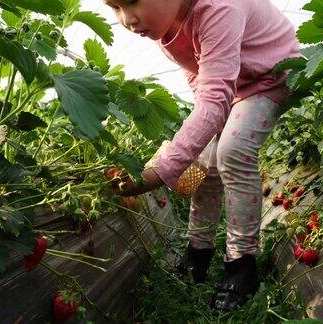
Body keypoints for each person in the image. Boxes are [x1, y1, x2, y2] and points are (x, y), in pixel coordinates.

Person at [104, 0, 301, 310]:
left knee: (233, 152)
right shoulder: (161, 28)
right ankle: (198, 252)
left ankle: (241, 264)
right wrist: (203, 133)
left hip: (269, 77)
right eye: (114, 6)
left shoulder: (219, 8)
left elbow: (214, 94)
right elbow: (198, 77)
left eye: (132, 1)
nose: (127, 19)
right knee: (204, 163)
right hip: (231, 85)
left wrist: (160, 171)